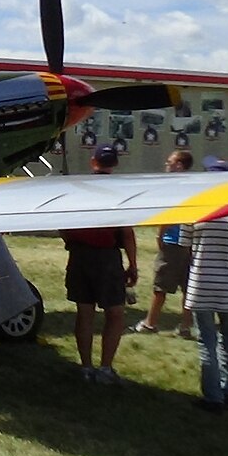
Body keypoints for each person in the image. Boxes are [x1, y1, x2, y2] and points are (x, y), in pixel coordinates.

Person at [60, 144, 138, 384]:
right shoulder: (119, 192)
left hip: (80, 256)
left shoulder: (78, 189)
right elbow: (126, 233)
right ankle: (105, 368)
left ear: (93, 162)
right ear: (114, 164)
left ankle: (86, 367)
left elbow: (64, 226)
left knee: (85, 312)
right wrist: (133, 264)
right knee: (115, 313)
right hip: (106, 257)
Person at [181, 164, 228, 414]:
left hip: (201, 282)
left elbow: (187, 247)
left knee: (206, 342)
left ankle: (213, 398)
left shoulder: (196, 211)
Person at [133, 150, 193, 336]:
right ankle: (186, 326)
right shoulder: (192, 186)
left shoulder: (175, 188)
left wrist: (160, 235)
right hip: (189, 242)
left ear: (179, 166)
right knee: (187, 287)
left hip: (173, 242)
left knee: (161, 285)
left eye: (170, 162)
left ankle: (150, 323)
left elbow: (170, 214)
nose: (167, 165)